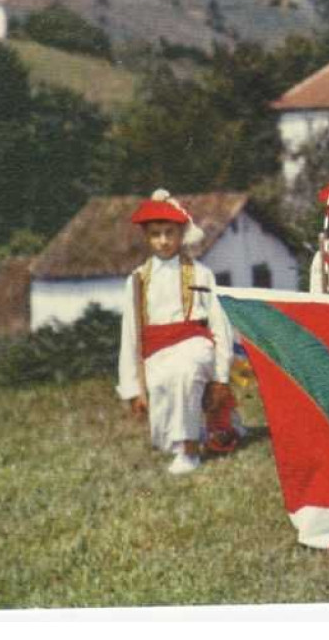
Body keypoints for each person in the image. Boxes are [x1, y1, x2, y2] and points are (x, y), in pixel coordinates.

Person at [116, 189, 235, 475]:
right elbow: (130, 335)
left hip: (194, 342)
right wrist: (132, 388)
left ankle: (189, 449)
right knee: (162, 381)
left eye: (170, 233)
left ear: (181, 234)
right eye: (156, 234)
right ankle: (188, 437)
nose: (164, 241)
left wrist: (221, 376)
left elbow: (219, 323)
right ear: (146, 236)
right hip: (157, 349)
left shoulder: (201, 274)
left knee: (184, 370)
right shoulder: (137, 280)